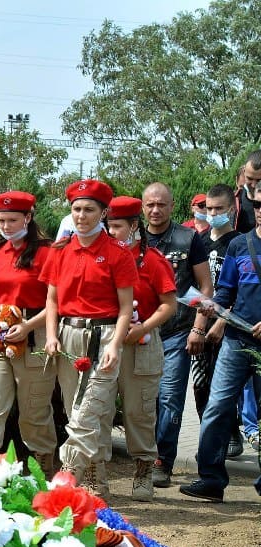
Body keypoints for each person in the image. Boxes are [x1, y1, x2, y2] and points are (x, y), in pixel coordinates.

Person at [41, 179, 136, 490]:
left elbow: (125, 308)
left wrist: (116, 344)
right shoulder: (59, 251)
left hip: (104, 335)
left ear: (104, 213)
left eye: (89, 210)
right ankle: (97, 480)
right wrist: (52, 336)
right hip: (69, 336)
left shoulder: (117, 253)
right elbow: (52, 300)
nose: (81, 215)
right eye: (76, 209)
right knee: (75, 411)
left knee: (89, 410)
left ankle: (65, 481)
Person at [179, 193, 261, 502]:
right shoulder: (240, 246)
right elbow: (226, 290)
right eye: (258, 206)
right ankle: (211, 479)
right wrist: (210, 311)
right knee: (216, 408)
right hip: (237, 342)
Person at [97, 196, 176, 500]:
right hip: (104, 343)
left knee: (138, 410)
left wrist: (144, 327)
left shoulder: (152, 260)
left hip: (140, 346)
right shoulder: (99, 257)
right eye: (108, 226)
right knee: (99, 409)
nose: (111, 232)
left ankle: (143, 468)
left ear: (133, 226)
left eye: (116, 226)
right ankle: (96, 474)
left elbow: (169, 304)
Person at [0, 191, 56, 474]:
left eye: (12, 220)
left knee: (34, 413)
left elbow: (57, 303)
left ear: (28, 217)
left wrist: (28, 327)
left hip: (33, 337)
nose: (6, 226)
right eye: (1, 220)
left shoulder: (48, 253)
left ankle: (44, 474)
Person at [142, 182, 213, 489]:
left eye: (161, 204)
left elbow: (205, 287)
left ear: (172, 207)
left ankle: (163, 461)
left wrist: (199, 327)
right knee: (144, 399)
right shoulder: (132, 238)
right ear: (143, 207)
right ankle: (142, 457)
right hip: (139, 330)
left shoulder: (189, 239)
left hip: (177, 332)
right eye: (150, 205)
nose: (155, 210)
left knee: (170, 398)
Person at [189, 184, 245, 455]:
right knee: (200, 385)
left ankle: (232, 433)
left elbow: (238, 290)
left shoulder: (240, 243)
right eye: (208, 209)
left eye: (218, 209)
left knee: (224, 387)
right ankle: (208, 438)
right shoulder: (197, 243)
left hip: (229, 328)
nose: (212, 214)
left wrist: (223, 322)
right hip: (200, 326)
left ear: (231, 210)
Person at [233, 154, 261, 234]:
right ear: (244, 171)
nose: (254, 185)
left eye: (259, 180)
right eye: (250, 178)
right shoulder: (234, 200)